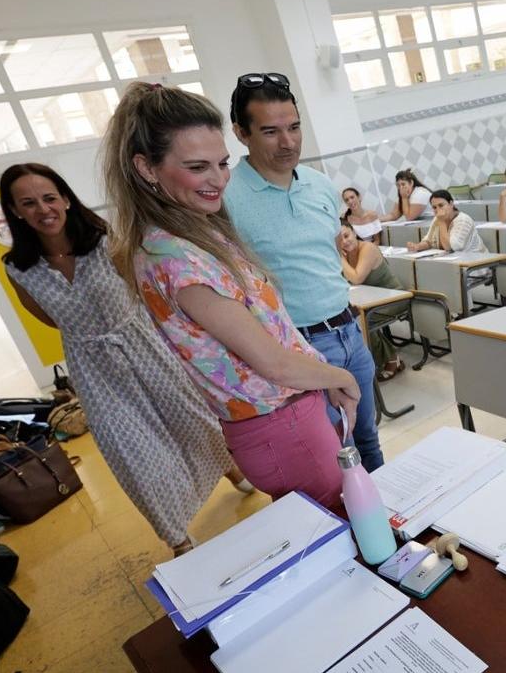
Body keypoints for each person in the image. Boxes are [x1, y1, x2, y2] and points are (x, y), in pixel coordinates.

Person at [104, 81, 359, 508]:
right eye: (198, 166)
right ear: (147, 168)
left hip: (288, 417)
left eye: (221, 163)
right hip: (282, 424)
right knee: (351, 529)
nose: (218, 179)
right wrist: (342, 377)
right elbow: (274, 363)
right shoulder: (178, 257)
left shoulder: (191, 233)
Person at [0, 161, 251, 556]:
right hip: (94, 367)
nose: (42, 209)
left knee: (192, 419)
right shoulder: (18, 268)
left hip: (143, 343)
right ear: (14, 211)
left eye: (49, 198)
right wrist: (89, 334)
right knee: (132, 453)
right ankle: (176, 537)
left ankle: (231, 470)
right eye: (28, 203)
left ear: (65, 199)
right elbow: (47, 316)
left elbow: (140, 286)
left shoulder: (104, 239)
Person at [222, 72, 382, 472]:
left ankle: (394, 527)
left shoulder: (320, 185)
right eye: (271, 131)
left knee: (368, 439)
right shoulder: (227, 199)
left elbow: (328, 254)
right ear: (242, 133)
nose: (288, 142)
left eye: (294, 127)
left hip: (348, 330)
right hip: (297, 350)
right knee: (330, 462)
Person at [336, 224, 404, 381]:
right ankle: (378, 358)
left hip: (394, 299)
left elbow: (356, 278)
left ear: (354, 232)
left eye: (347, 236)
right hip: (370, 301)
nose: (345, 242)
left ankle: (390, 358)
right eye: (339, 240)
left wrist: (339, 257)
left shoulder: (368, 248)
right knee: (349, 316)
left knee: (359, 320)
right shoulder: (347, 255)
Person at [406, 190, 487, 254]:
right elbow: (429, 241)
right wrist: (417, 246)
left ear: (451, 204)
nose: (438, 210)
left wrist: (441, 221)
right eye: (434, 207)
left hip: (474, 264)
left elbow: (449, 248)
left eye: (441, 205)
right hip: (454, 262)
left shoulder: (463, 220)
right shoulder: (437, 219)